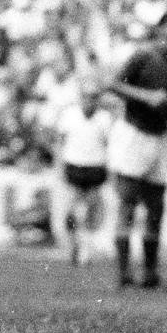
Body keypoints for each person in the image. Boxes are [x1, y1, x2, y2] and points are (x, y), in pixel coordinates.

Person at [105, 7, 167, 290]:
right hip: (134, 133)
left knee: (156, 206)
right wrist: (147, 96)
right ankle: (123, 272)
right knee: (128, 203)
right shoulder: (144, 55)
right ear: (161, 28)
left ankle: (150, 272)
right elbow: (113, 84)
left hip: (160, 137)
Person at [54, 87, 115, 267]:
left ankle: (85, 250)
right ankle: (75, 245)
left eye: (93, 98)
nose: (90, 102)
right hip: (73, 167)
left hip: (95, 168)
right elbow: (60, 142)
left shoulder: (104, 118)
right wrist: (59, 167)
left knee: (89, 212)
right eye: (87, 97)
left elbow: (109, 145)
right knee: (72, 212)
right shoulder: (69, 115)